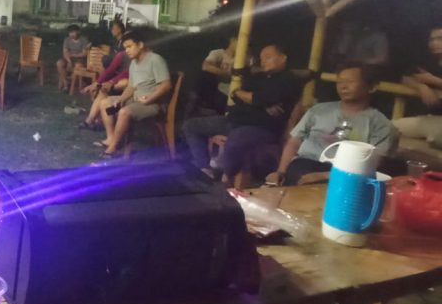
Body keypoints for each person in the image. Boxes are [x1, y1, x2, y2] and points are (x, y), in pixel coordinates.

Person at [183, 43, 303, 183]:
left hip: (262, 127)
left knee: (236, 138)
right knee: (191, 125)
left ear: (283, 58)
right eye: (261, 58)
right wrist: (250, 98)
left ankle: (227, 177)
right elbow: (237, 95)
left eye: (268, 57)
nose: (263, 61)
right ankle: (205, 169)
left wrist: (252, 98)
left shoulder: (289, 80)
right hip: (234, 120)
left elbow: (260, 98)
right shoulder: (259, 77)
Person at [266, 64, 396, 186]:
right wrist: (280, 172)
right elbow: (294, 142)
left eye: (350, 82)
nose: (343, 87)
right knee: (299, 173)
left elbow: (373, 164)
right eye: (340, 82)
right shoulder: (318, 111)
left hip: (346, 174)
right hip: (305, 164)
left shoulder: (381, 124)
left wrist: (325, 176)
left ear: (372, 87)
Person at [95, 29, 172, 158]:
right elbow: (131, 87)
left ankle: (113, 147)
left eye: (129, 46)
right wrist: (121, 99)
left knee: (124, 112)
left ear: (140, 45)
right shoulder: (134, 64)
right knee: (105, 103)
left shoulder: (155, 60)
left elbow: (166, 85)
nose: (127, 50)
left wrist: (149, 99)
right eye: (125, 48)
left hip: (152, 103)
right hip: (135, 100)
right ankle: (111, 138)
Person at [397, 26, 442, 147]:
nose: (434, 43)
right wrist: (421, 87)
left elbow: (427, 79)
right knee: (388, 129)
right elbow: (406, 78)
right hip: (428, 119)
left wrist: (433, 80)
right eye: (431, 40)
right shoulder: (429, 62)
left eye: (440, 39)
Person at [194, 37, 238, 115]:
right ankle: (204, 103)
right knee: (205, 75)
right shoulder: (218, 53)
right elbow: (206, 66)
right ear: (232, 41)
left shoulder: (245, 58)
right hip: (218, 88)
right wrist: (227, 74)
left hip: (234, 91)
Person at [56, 24, 88, 92]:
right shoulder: (67, 40)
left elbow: (84, 54)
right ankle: (66, 84)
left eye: (73, 32)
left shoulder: (83, 40)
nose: (71, 34)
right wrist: (69, 61)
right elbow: (65, 52)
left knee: (78, 66)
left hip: (80, 59)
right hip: (69, 58)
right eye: (70, 33)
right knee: (59, 63)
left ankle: (73, 84)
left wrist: (73, 55)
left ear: (78, 32)